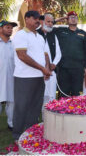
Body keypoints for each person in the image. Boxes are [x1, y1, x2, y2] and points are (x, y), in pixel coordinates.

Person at [12, 10, 51, 141]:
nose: (37, 21)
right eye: (34, 18)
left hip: (38, 77)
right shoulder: (21, 35)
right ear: (27, 19)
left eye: (38, 19)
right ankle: (17, 135)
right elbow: (22, 55)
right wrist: (42, 69)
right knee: (22, 106)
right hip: (24, 77)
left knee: (35, 106)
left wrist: (46, 68)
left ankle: (31, 133)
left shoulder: (39, 37)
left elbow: (45, 54)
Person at [55, 11, 86, 97]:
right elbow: (48, 25)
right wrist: (61, 18)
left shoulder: (83, 34)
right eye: (71, 17)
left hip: (78, 69)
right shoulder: (61, 31)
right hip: (64, 68)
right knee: (63, 93)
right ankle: (63, 110)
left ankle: (76, 110)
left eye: (75, 17)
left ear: (77, 20)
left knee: (77, 93)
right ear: (67, 20)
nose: (73, 19)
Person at [37, 13, 61, 105]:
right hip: (39, 71)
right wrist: (43, 67)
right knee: (40, 96)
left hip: (51, 70)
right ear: (42, 22)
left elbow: (58, 53)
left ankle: (48, 118)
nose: (50, 24)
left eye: (52, 22)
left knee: (51, 96)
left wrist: (54, 64)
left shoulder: (53, 35)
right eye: (48, 21)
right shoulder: (36, 34)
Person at [0, 20, 17, 131]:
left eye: (11, 28)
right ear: (0, 29)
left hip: (11, 77)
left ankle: (11, 123)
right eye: (7, 27)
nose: (10, 29)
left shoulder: (14, 44)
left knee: (12, 101)